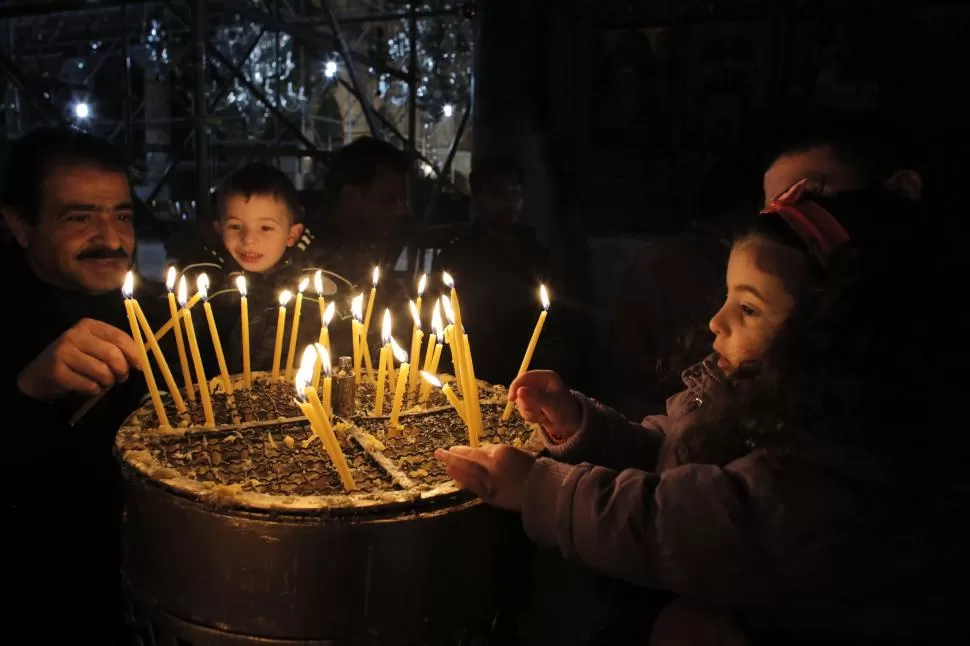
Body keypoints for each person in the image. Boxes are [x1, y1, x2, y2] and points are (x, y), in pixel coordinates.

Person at [436, 184, 966, 644]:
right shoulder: (747, 397)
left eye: (749, 308)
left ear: (837, 336)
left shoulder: (830, 474)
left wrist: (538, 489)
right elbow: (670, 455)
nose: (715, 321)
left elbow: (670, 522)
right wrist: (577, 424)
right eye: (726, 297)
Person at [1, 127, 166, 643]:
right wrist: (28, 390)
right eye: (79, 218)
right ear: (19, 223)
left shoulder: (161, 311)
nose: (112, 239)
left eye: (121, 215)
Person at [172, 162, 329, 373]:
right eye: (236, 226)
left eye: (265, 228)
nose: (248, 240)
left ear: (292, 235)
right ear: (219, 229)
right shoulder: (204, 283)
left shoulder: (313, 285)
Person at [432, 157, 554, 385]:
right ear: (477, 198)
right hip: (476, 366)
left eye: (515, 194)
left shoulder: (534, 250)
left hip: (530, 362)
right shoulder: (457, 255)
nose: (509, 202)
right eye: (499, 194)